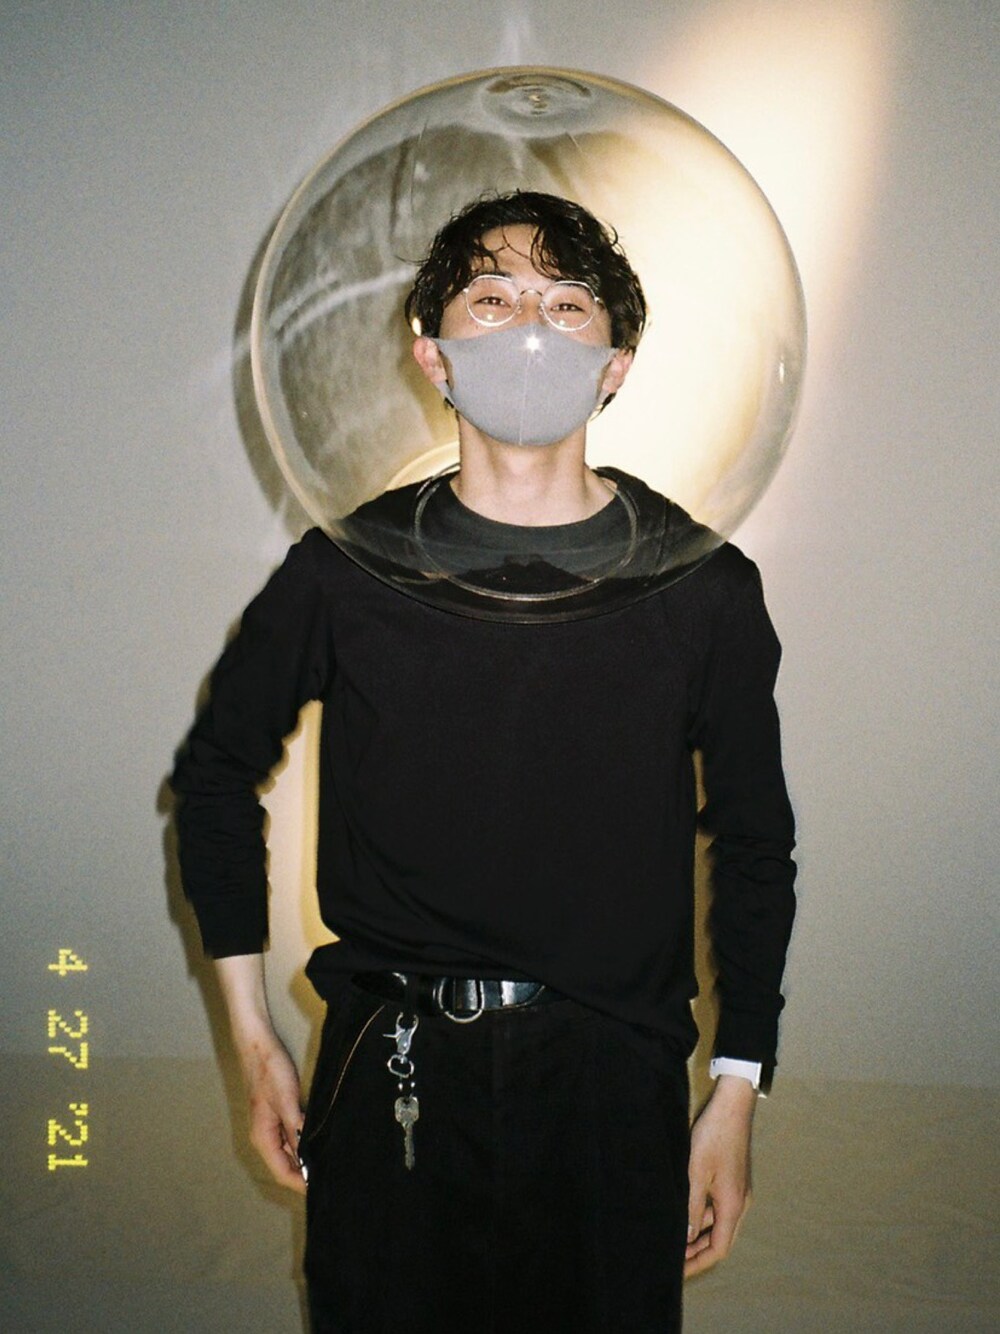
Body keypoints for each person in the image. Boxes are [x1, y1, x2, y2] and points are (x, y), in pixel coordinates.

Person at [171, 191, 796, 1333]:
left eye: (567, 305)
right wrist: (254, 1041)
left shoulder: (702, 588)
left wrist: (737, 1091)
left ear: (614, 366)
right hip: (391, 1063)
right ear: (434, 354)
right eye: (492, 299)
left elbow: (755, 843)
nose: (530, 329)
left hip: (613, 1080)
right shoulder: (346, 571)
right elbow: (215, 777)